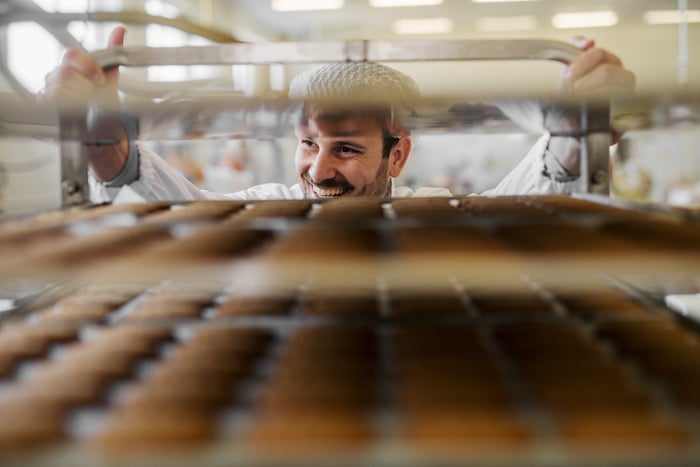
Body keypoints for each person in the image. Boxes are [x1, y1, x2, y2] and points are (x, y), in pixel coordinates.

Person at [43, 26, 635, 203]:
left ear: (398, 155)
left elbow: (527, 203)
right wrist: (106, 148)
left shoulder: (434, 217)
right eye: (309, 144)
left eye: (347, 148)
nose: (318, 171)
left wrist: (575, 137)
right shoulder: (266, 209)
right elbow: (175, 211)